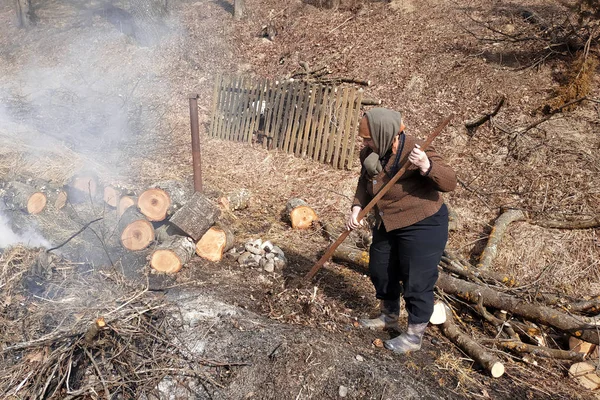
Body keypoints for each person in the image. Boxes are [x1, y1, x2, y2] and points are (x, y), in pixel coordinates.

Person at [346, 108, 457, 354]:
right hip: (388, 221)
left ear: (383, 134)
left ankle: (414, 336)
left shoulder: (415, 149)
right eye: (364, 138)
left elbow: (450, 182)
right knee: (380, 267)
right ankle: (389, 316)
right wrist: (356, 207)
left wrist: (426, 165)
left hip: (423, 223)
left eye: (368, 138)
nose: (364, 143)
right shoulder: (370, 152)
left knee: (417, 279)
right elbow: (364, 183)